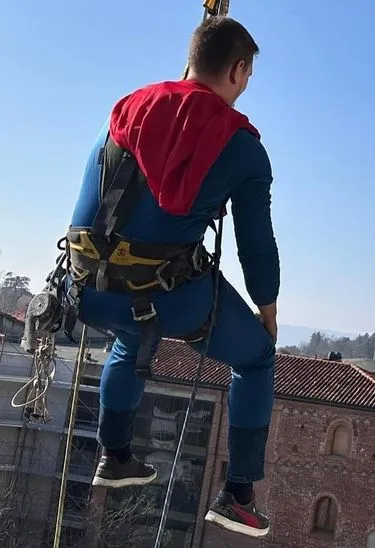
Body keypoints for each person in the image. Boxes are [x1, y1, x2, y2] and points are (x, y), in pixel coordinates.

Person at [64, 18, 277, 538]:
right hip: (166, 295)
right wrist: (266, 309)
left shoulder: (125, 110)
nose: (246, 86)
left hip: (87, 289)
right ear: (238, 68)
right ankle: (239, 493)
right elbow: (255, 245)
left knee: (128, 336)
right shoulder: (242, 145)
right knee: (256, 357)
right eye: (248, 76)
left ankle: (114, 456)